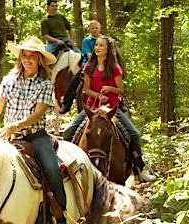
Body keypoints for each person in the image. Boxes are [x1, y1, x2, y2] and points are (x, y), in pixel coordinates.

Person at [0, 36, 67, 223]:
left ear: (40, 60)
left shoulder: (45, 84)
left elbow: (38, 114)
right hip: (8, 137)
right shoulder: (8, 80)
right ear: (19, 57)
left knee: (52, 170)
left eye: (32, 56)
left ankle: (61, 213)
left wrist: (16, 125)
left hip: (34, 137)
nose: (27, 59)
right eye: (24, 55)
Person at [62, 36, 156, 182]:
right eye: (97, 45)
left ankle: (139, 169)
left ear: (107, 49)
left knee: (134, 134)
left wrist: (110, 88)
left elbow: (121, 90)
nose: (97, 48)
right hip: (93, 108)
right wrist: (98, 96)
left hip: (112, 109)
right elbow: (86, 90)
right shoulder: (89, 67)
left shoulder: (115, 69)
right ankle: (65, 165)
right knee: (68, 131)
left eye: (101, 45)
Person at [59, 20, 102, 114]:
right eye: (92, 28)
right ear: (89, 30)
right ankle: (67, 102)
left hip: (104, 63)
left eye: (96, 28)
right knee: (76, 79)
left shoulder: (104, 39)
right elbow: (89, 55)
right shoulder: (86, 40)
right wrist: (97, 63)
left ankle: (120, 101)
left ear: (100, 29)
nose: (94, 30)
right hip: (90, 63)